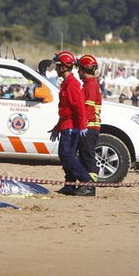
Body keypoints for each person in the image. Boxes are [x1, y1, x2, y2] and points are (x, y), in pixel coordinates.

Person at [50, 51, 94, 197]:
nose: (55, 69)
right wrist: (57, 127)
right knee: (66, 155)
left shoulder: (72, 84)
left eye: (57, 66)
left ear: (63, 67)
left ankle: (86, 182)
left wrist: (82, 126)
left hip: (72, 126)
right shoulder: (66, 84)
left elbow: (79, 106)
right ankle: (69, 184)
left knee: (67, 155)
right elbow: (65, 109)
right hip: (66, 125)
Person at [77, 54, 102, 182]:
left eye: (79, 69)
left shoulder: (90, 86)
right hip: (90, 126)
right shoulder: (90, 84)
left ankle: (89, 186)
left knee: (88, 157)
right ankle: (86, 184)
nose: (77, 72)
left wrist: (81, 125)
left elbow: (88, 109)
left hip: (89, 127)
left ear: (83, 70)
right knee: (84, 157)